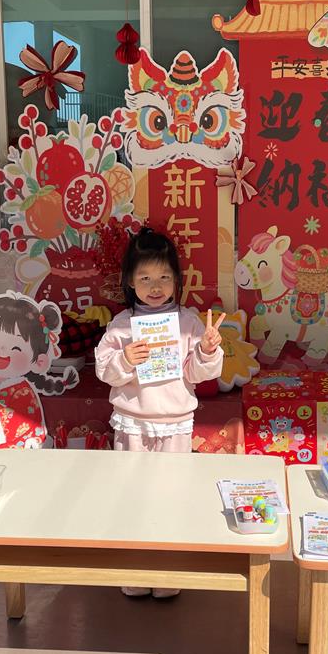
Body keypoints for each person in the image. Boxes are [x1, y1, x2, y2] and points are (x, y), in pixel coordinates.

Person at [95, 227, 225, 598]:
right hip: (133, 424)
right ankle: (136, 572)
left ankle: (167, 573)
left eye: (164, 277)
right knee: (131, 496)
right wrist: (125, 359)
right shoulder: (122, 326)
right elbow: (104, 370)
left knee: (171, 497)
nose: (156, 287)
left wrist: (207, 349)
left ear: (177, 280)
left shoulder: (188, 322)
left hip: (176, 425)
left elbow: (196, 374)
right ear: (129, 281)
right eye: (146, 278)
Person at [0, 290, 76, 463]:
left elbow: (25, 426)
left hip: (12, 460)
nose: (2, 351)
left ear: (38, 361)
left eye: (16, 348)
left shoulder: (24, 394)